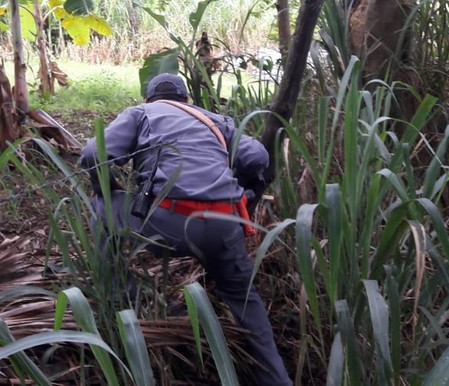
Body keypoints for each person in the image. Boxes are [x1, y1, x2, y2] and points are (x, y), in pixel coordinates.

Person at [79, 73, 293, 386]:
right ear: (187, 100)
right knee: (245, 301)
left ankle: (125, 301)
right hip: (225, 225)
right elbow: (258, 156)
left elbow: (93, 154)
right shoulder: (215, 120)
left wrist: (109, 189)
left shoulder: (140, 114)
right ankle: (277, 379)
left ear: (148, 99)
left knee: (102, 207)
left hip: (169, 223)